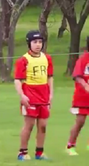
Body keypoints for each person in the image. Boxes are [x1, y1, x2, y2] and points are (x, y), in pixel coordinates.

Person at [14, 30, 53, 160]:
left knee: (42, 126)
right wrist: (22, 96)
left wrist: (50, 94)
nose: (38, 45)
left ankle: (39, 152)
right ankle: (22, 152)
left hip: (44, 96)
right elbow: (18, 80)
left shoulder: (47, 58)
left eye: (40, 42)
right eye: (35, 42)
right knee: (29, 125)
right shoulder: (23, 60)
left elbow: (50, 77)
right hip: (30, 96)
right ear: (29, 43)